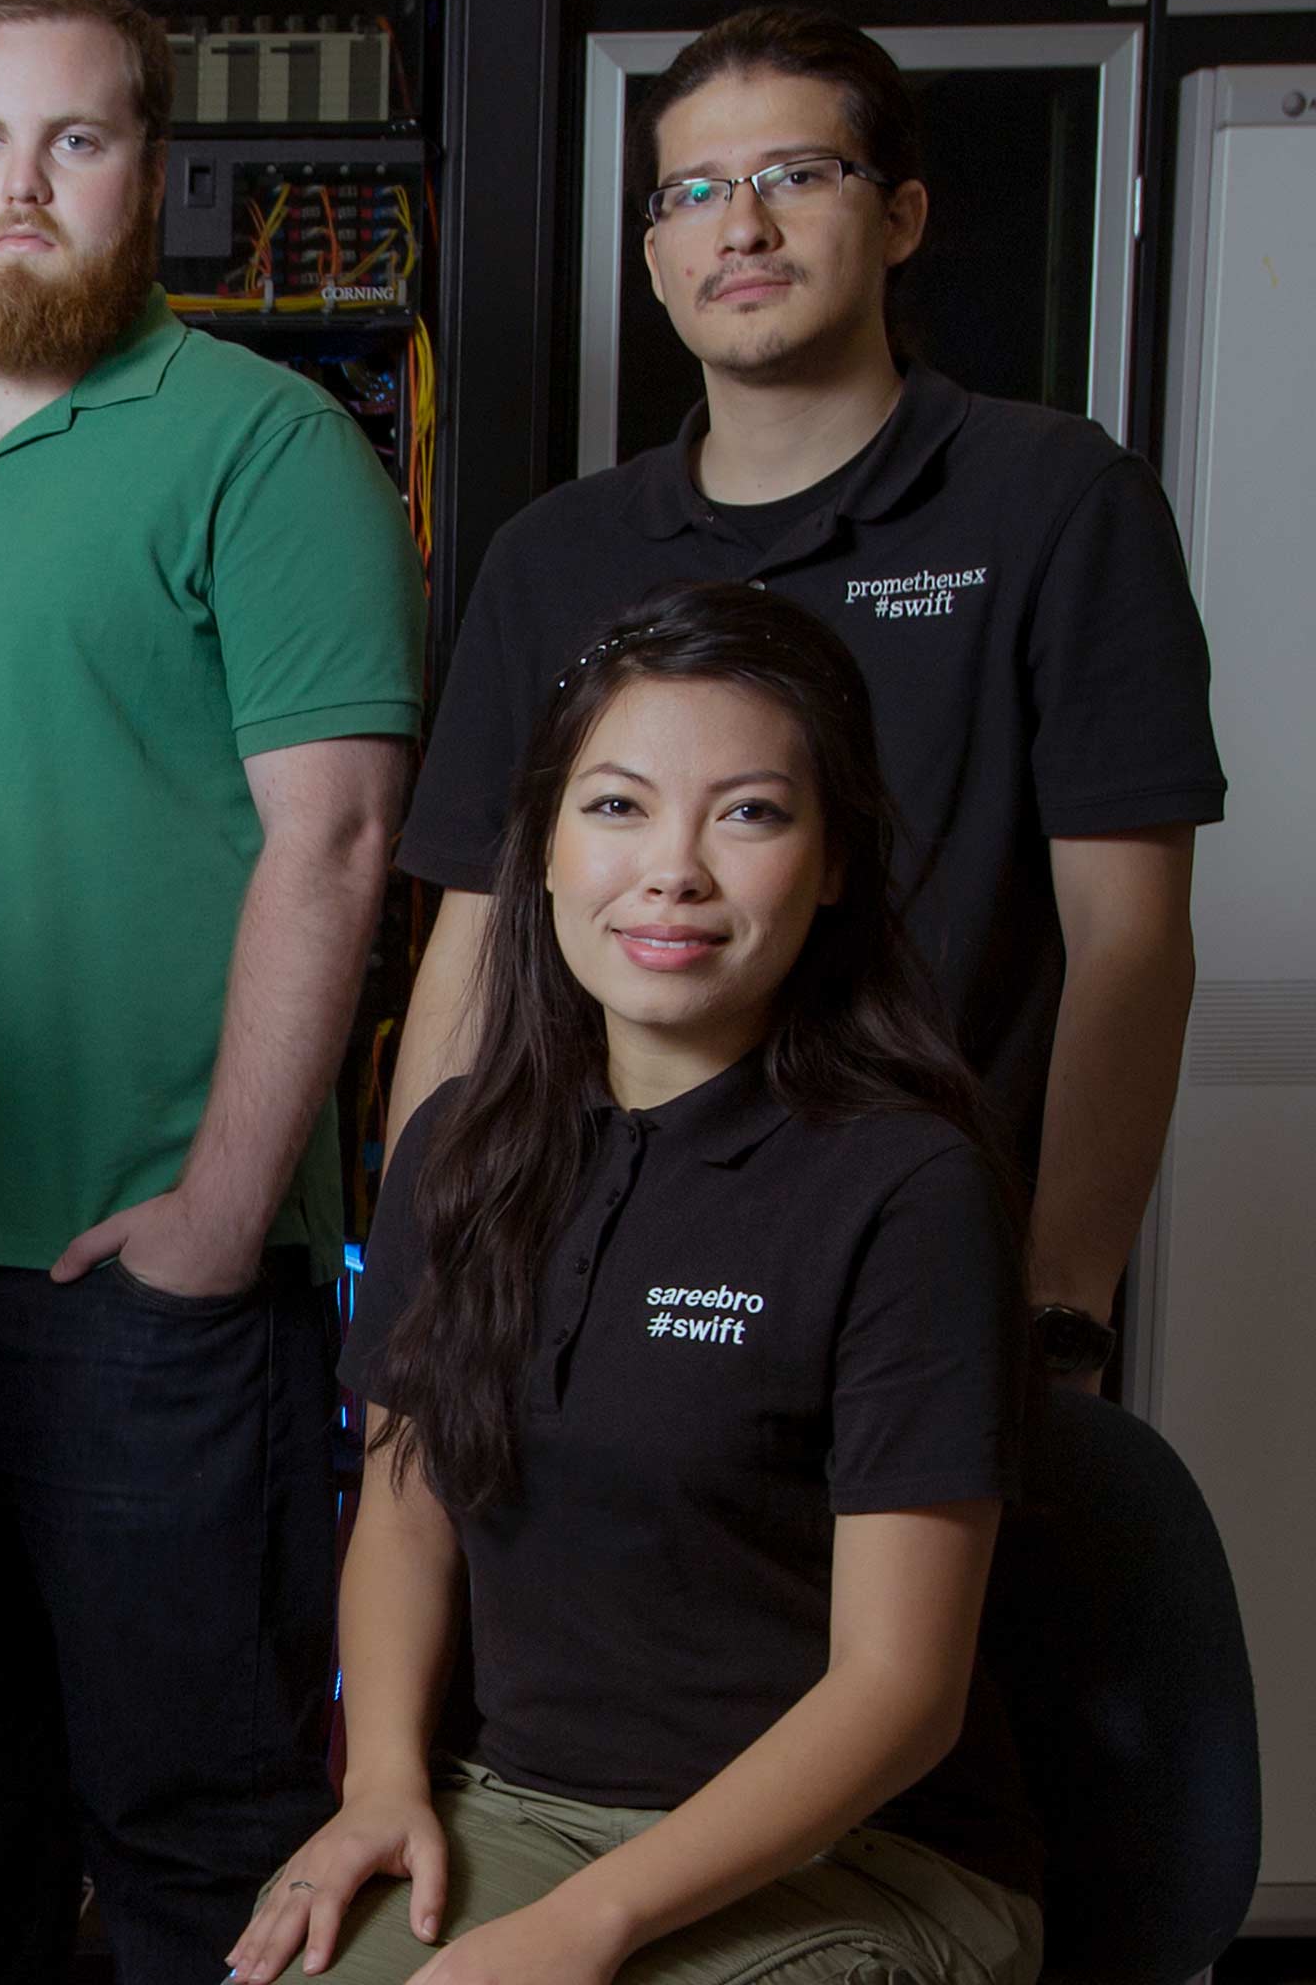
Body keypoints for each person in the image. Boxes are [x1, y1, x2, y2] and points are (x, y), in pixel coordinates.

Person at [0, 0, 420, 1983]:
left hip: (151, 1287)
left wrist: (221, 1214)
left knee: (197, 1811)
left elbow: (343, 840)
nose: (21, 185)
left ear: (156, 178)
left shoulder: (268, 449)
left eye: (78, 139)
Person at [387, 5, 1224, 1391]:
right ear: (654, 255)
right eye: (697, 193)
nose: (744, 228)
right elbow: (477, 948)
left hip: (928, 1285)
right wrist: (420, 1288)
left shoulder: (1054, 502)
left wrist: (1063, 1303)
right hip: (585, 1290)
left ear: (899, 218)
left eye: (795, 176)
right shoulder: (558, 558)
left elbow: (1129, 944)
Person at [229, 582, 1039, 1985]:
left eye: (750, 813)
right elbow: (407, 1516)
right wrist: (382, 1791)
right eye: (616, 807)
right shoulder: (459, 1150)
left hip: (851, 1848)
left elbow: (901, 1694)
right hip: (521, 1810)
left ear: (834, 861)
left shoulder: (908, 1191)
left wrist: (582, 1931)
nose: (673, 871)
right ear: (541, 846)